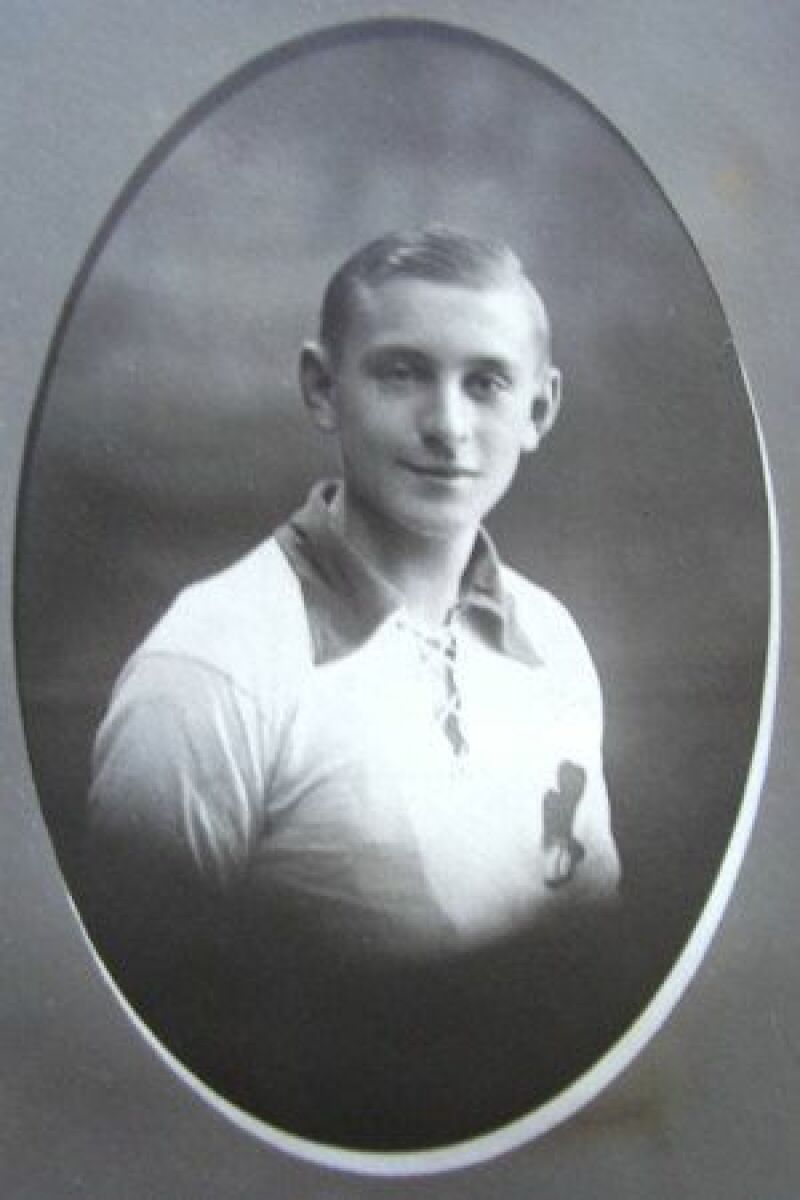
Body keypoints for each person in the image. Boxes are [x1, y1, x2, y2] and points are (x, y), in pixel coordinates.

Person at [84, 227, 621, 1149]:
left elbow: (592, 950)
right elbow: (134, 1055)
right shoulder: (211, 664)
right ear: (321, 388)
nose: (447, 425)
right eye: (402, 374)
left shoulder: (555, 641)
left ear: (540, 407)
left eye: (486, 382)